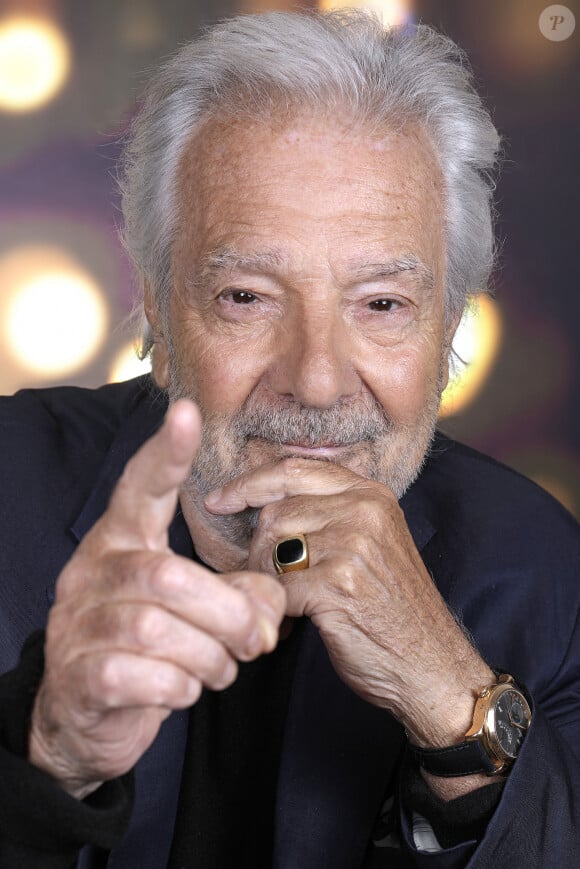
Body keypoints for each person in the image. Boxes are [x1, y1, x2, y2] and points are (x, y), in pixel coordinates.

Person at [0, 9, 579, 868]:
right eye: (247, 297)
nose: (316, 379)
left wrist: (453, 702)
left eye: (382, 305)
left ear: (447, 326)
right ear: (158, 304)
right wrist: (50, 757)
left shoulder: (543, 575)